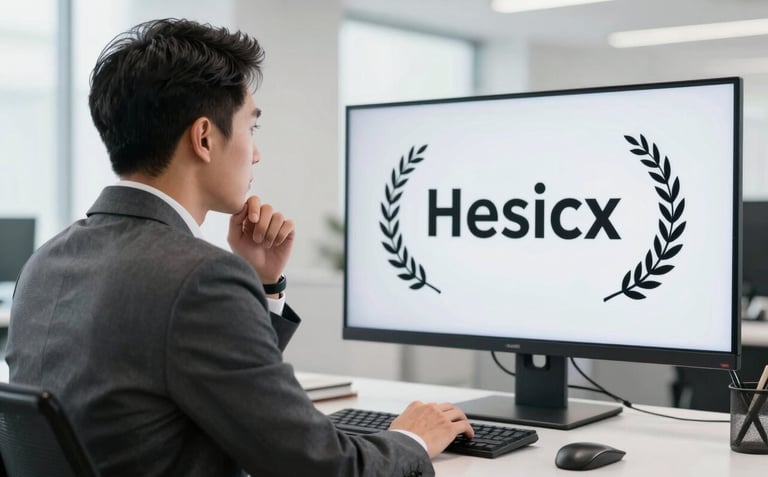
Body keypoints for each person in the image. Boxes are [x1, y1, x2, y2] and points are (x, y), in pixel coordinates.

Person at [5, 18, 473, 477]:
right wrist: (411, 438)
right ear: (204, 137)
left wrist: (261, 282)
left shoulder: (46, 261)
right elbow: (321, 467)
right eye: (252, 128)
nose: (256, 152)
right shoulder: (198, 278)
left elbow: (227, 396)